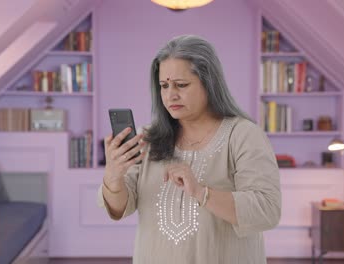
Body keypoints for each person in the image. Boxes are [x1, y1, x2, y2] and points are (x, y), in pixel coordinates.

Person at [98, 35, 281, 264]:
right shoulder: (148, 139)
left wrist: (202, 192)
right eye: (164, 86)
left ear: (209, 82)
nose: (170, 95)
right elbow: (119, 208)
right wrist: (113, 177)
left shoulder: (243, 135)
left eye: (181, 85)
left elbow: (267, 211)